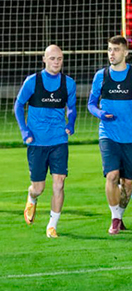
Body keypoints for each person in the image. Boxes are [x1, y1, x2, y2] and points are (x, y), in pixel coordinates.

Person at [88, 36, 132, 235]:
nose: (111, 54)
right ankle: (114, 218)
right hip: (108, 134)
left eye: (115, 49)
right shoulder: (101, 76)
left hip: (131, 135)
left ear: (125, 52)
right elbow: (91, 104)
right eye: (109, 50)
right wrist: (100, 113)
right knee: (112, 175)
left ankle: (120, 216)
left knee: (127, 184)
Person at [14, 45, 77, 238]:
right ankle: (31, 197)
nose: (56, 62)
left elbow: (71, 108)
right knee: (38, 188)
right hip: (37, 142)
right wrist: (24, 131)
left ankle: (52, 225)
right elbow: (18, 105)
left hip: (59, 140)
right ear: (44, 59)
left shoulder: (69, 83)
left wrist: (71, 122)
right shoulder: (32, 81)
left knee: (59, 184)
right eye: (52, 58)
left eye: (59, 58)